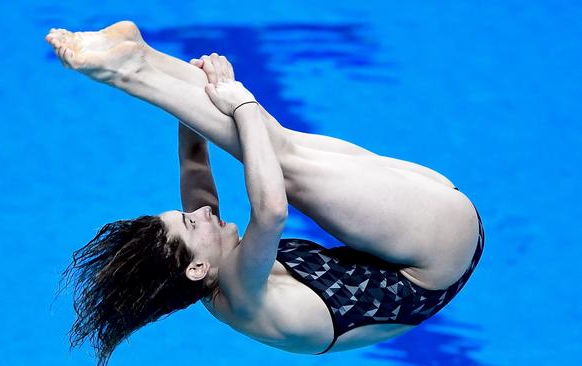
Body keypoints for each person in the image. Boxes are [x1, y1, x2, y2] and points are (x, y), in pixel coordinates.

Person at [47, 20, 484, 366]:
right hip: (435, 254)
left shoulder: (203, 265)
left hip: (428, 234)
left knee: (271, 142)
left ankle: (140, 58)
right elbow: (271, 210)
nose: (198, 214)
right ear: (198, 267)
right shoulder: (239, 294)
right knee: (281, 165)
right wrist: (239, 103)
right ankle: (123, 69)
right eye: (188, 223)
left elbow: (194, 163)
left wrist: (199, 92)